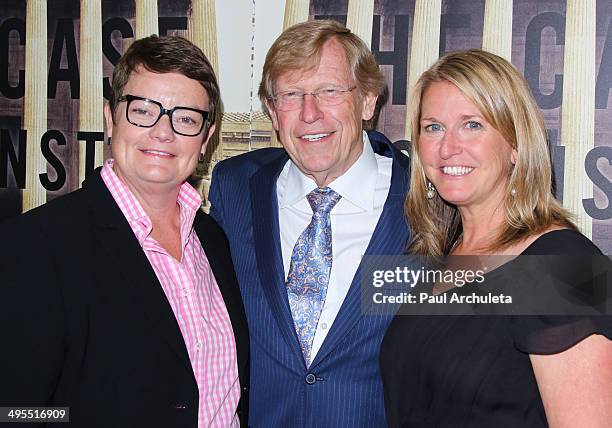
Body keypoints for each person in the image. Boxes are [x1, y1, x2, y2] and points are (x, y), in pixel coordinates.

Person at [0, 36, 249, 428]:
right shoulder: (34, 247)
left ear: (206, 138)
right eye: (143, 110)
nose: (163, 132)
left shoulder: (214, 240)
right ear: (110, 119)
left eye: (185, 118)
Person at [380, 49, 612, 427]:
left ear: (516, 146)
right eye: (433, 127)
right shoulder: (445, 255)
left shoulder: (565, 266)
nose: (448, 147)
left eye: (472, 124)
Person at [209, 19, 414, 426]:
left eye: (329, 91)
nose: (310, 113)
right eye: (291, 95)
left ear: (368, 101)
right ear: (271, 110)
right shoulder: (234, 189)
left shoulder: (427, 199)